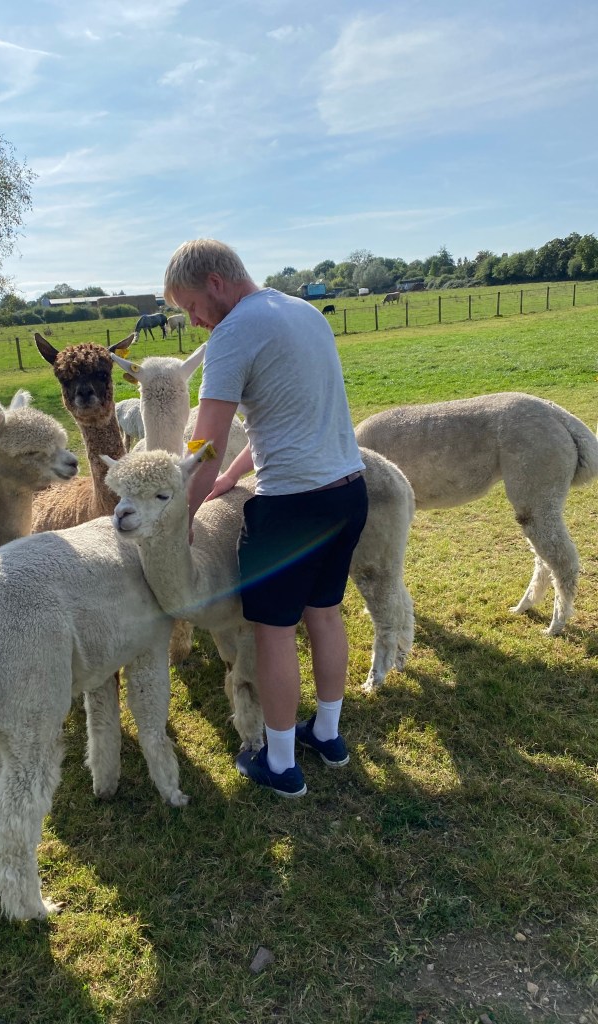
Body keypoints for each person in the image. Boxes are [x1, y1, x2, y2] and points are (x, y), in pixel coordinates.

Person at [163, 239, 368, 798]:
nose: (194, 321)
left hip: (291, 507)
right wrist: (233, 476)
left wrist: (179, 519)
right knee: (324, 614)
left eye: (190, 307)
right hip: (348, 492)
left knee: (272, 631)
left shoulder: (232, 334)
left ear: (214, 282)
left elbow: (202, 445)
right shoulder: (303, 312)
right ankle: (327, 734)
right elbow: (290, 416)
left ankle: (280, 764)